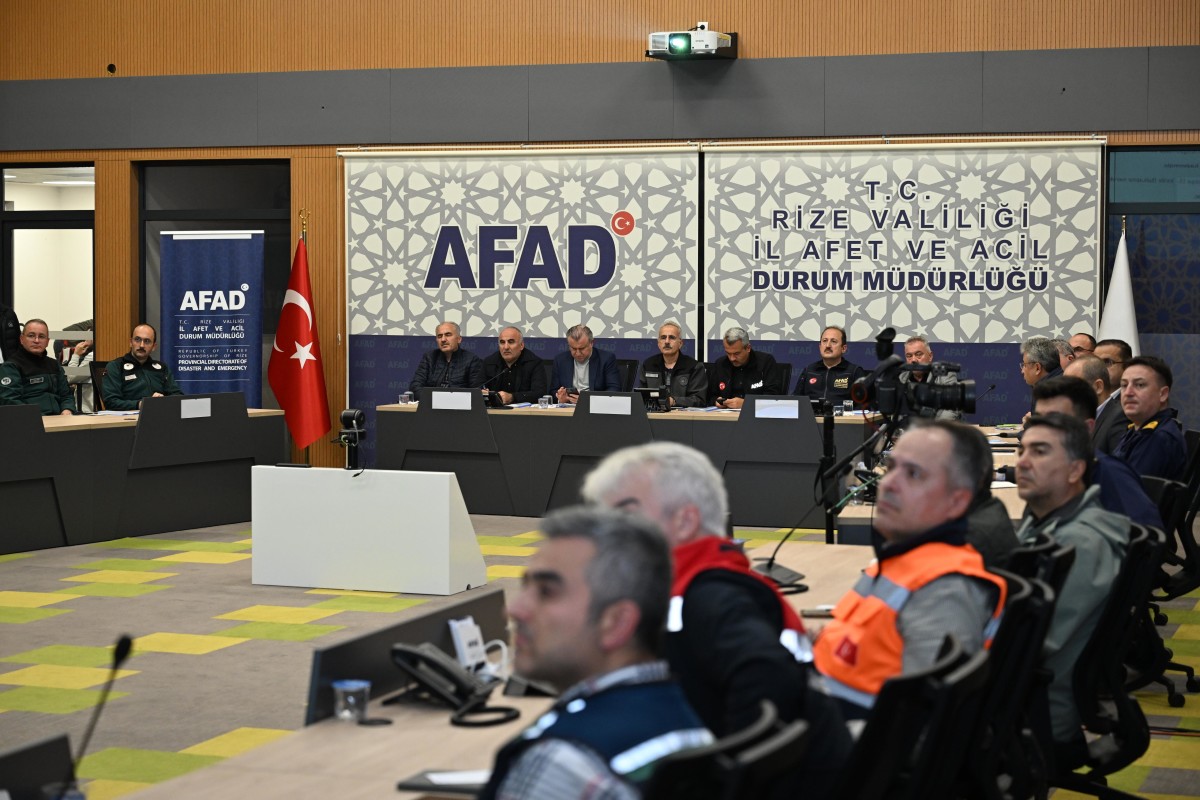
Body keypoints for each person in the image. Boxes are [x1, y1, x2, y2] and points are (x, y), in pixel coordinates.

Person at [582, 442, 851, 796]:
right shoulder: (715, 581)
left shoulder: (709, 596)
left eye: (626, 516)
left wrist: (722, 776)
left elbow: (766, 675)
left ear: (685, 521)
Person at [480, 506, 712, 800]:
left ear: (615, 623)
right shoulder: (685, 717)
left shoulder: (562, 762)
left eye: (547, 591)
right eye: (525, 586)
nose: (514, 609)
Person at [812, 420, 1007, 718]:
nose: (889, 483)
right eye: (891, 468)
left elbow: (916, 730)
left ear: (956, 502)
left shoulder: (944, 593)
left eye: (913, 474)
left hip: (839, 734)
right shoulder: (906, 559)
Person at [1014, 412, 1129, 752]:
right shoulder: (1050, 521)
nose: (1022, 462)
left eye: (1039, 452)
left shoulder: (1081, 545)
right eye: (1021, 451)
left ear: (1075, 470)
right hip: (1018, 698)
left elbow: (1030, 647)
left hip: (1031, 713)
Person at [1032, 375, 1162, 531]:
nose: (1041, 430)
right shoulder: (1054, 468)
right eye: (1038, 420)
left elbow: (1147, 537)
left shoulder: (1110, 476)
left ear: (1086, 428)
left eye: (1054, 420)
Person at [1112, 355, 1187, 481]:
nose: (1128, 393)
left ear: (1163, 394)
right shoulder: (1137, 429)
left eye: (1139, 385)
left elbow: (1127, 488)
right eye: (1124, 385)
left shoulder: (1158, 438)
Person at [0, 319, 77, 415]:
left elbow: (66, 395)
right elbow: (10, 401)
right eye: (31, 336)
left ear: (47, 341)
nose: (36, 341)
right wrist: (37, 417)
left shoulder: (54, 364)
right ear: (21, 339)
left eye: (41, 336)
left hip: (59, 418)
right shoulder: (11, 367)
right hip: (30, 420)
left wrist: (67, 410)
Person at [101, 323, 184, 410]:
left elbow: (178, 396)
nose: (141, 345)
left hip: (159, 414)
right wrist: (141, 404)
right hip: (129, 416)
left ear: (154, 346)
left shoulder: (162, 368)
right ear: (131, 342)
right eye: (137, 340)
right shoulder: (116, 366)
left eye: (147, 341)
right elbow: (110, 402)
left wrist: (163, 400)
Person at [1064, 353, 1128, 455]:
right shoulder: (1077, 419)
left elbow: (1115, 462)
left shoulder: (1120, 417)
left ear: (1098, 387)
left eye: (1072, 385)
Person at [707, 326, 782, 409]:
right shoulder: (720, 364)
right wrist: (717, 401)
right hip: (725, 414)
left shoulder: (766, 362)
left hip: (756, 414)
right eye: (728, 353)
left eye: (736, 354)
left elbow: (773, 397)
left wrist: (746, 403)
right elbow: (709, 396)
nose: (732, 358)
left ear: (748, 348)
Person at [636, 321, 707, 408]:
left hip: (683, 415)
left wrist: (674, 401)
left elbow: (699, 399)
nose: (667, 341)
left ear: (680, 343)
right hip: (655, 414)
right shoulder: (648, 365)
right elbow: (640, 396)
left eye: (672, 338)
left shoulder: (694, 367)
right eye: (663, 337)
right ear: (658, 343)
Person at [794, 325, 865, 406]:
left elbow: (863, 405)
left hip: (842, 414)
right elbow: (795, 400)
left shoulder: (854, 372)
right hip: (811, 414)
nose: (828, 345)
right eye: (824, 341)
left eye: (833, 341)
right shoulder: (809, 370)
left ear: (843, 348)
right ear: (820, 346)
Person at [551, 324, 620, 404]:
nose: (577, 353)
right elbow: (553, 390)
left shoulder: (606, 359)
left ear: (591, 343)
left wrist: (587, 400)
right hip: (568, 406)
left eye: (582, 348)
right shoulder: (560, 360)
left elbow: (614, 389)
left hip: (594, 407)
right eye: (573, 348)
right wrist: (560, 398)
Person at [897, 334, 961, 420]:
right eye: (909, 356)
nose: (913, 360)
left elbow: (951, 408)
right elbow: (897, 412)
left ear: (930, 356)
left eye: (918, 354)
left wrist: (931, 428)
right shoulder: (901, 378)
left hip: (937, 426)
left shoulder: (945, 375)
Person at [480, 325, 548, 405]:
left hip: (524, 411)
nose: (506, 347)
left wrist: (513, 397)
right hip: (494, 411)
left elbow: (539, 393)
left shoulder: (534, 363)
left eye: (511, 342)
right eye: (502, 342)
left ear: (521, 345)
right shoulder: (489, 362)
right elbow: (476, 388)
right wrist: (482, 392)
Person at [1020, 336, 1062, 414]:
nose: (1022, 371)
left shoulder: (1048, 392)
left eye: (1024, 365)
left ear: (1037, 368)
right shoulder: (1064, 381)